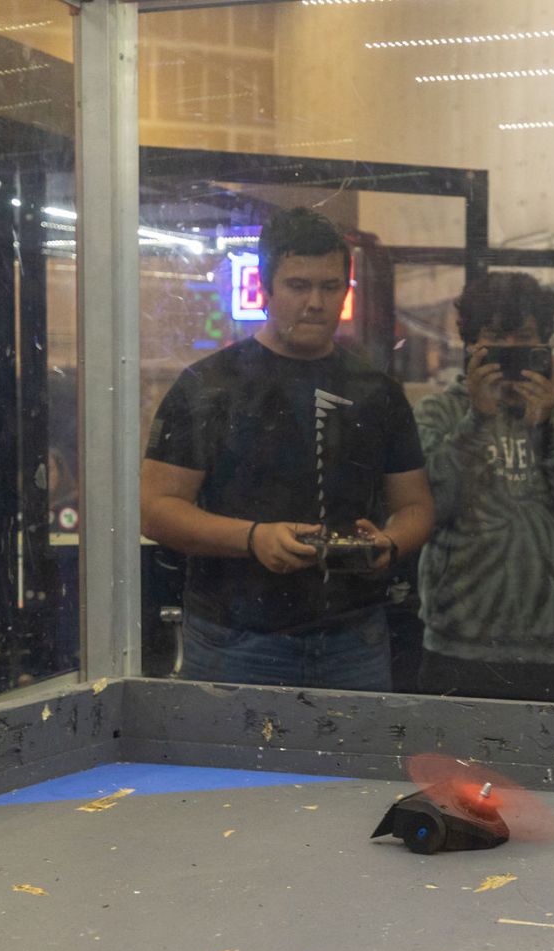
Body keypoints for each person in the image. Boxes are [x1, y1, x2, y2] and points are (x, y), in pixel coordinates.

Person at [140, 206, 434, 690]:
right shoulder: (208, 386)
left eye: (330, 287)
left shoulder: (377, 392)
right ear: (265, 287)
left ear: (346, 289)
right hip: (235, 638)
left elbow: (416, 507)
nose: (315, 302)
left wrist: (390, 542)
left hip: (353, 638)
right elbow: (155, 510)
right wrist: (253, 538)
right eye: (299, 286)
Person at [415, 272, 554, 702]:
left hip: (552, 649)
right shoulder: (438, 414)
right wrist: (477, 420)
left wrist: (549, 430)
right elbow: (430, 508)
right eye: (495, 339)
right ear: (471, 343)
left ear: (545, 343)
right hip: (457, 645)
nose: (509, 351)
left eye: (523, 339)